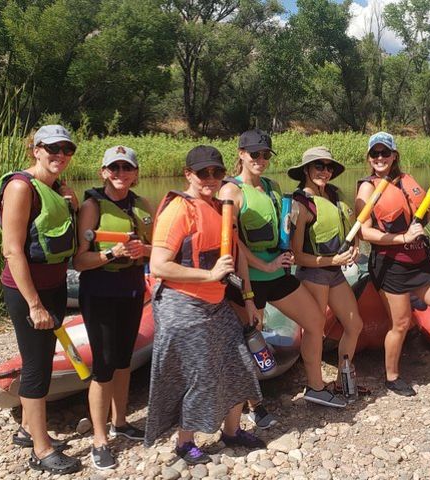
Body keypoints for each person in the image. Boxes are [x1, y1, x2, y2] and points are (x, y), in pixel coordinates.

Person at [145, 145, 265, 462]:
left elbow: (234, 260)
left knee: (239, 361)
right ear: (189, 175)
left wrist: (248, 299)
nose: (210, 178)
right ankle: (185, 442)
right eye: (203, 173)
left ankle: (231, 430)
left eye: (216, 172)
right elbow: (158, 265)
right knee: (198, 375)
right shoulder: (178, 210)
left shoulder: (218, 207)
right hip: (182, 305)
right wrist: (209, 274)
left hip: (215, 304)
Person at [220, 129, 346, 409]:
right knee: (249, 342)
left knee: (314, 322)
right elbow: (235, 244)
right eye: (255, 154)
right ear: (241, 154)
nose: (261, 160)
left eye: (265, 155)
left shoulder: (272, 186)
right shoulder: (231, 191)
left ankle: (315, 387)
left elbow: (283, 230)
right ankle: (252, 406)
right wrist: (264, 266)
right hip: (247, 281)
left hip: (278, 275)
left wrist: (286, 251)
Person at [0, 125, 81, 474]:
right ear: (36, 149)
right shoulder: (20, 187)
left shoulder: (55, 187)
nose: (60, 154)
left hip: (55, 286)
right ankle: (41, 451)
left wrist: (70, 205)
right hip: (27, 290)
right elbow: (12, 249)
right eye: (52, 148)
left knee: (43, 359)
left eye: (66, 148)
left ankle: (27, 430)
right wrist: (34, 304)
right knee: (36, 366)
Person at [356, 132, 430, 399]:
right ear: (369, 158)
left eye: (385, 153)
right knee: (401, 323)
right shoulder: (368, 188)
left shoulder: (407, 181)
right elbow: (364, 232)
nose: (380, 158)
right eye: (375, 154)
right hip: (391, 265)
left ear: (395, 155)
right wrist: (401, 238)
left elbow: (420, 222)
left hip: (420, 261)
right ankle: (392, 377)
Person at [73, 146, 153, 469]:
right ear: (104, 172)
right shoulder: (92, 207)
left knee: (123, 361)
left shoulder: (143, 206)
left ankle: (121, 422)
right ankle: (99, 438)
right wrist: (110, 254)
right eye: (114, 169)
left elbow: (156, 249)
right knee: (104, 365)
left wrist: (141, 249)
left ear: (135, 173)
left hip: (132, 290)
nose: (121, 174)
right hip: (101, 292)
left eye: (127, 169)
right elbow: (79, 260)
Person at [287, 146, 367, 395]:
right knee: (315, 329)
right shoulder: (301, 204)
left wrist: (354, 248)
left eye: (328, 166)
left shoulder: (334, 195)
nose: (325, 171)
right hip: (314, 273)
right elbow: (297, 256)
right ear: (307, 170)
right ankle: (315, 385)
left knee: (355, 325)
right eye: (319, 166)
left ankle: (344, 377)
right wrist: (332, 261)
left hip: (335, 273)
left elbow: (351, 230)